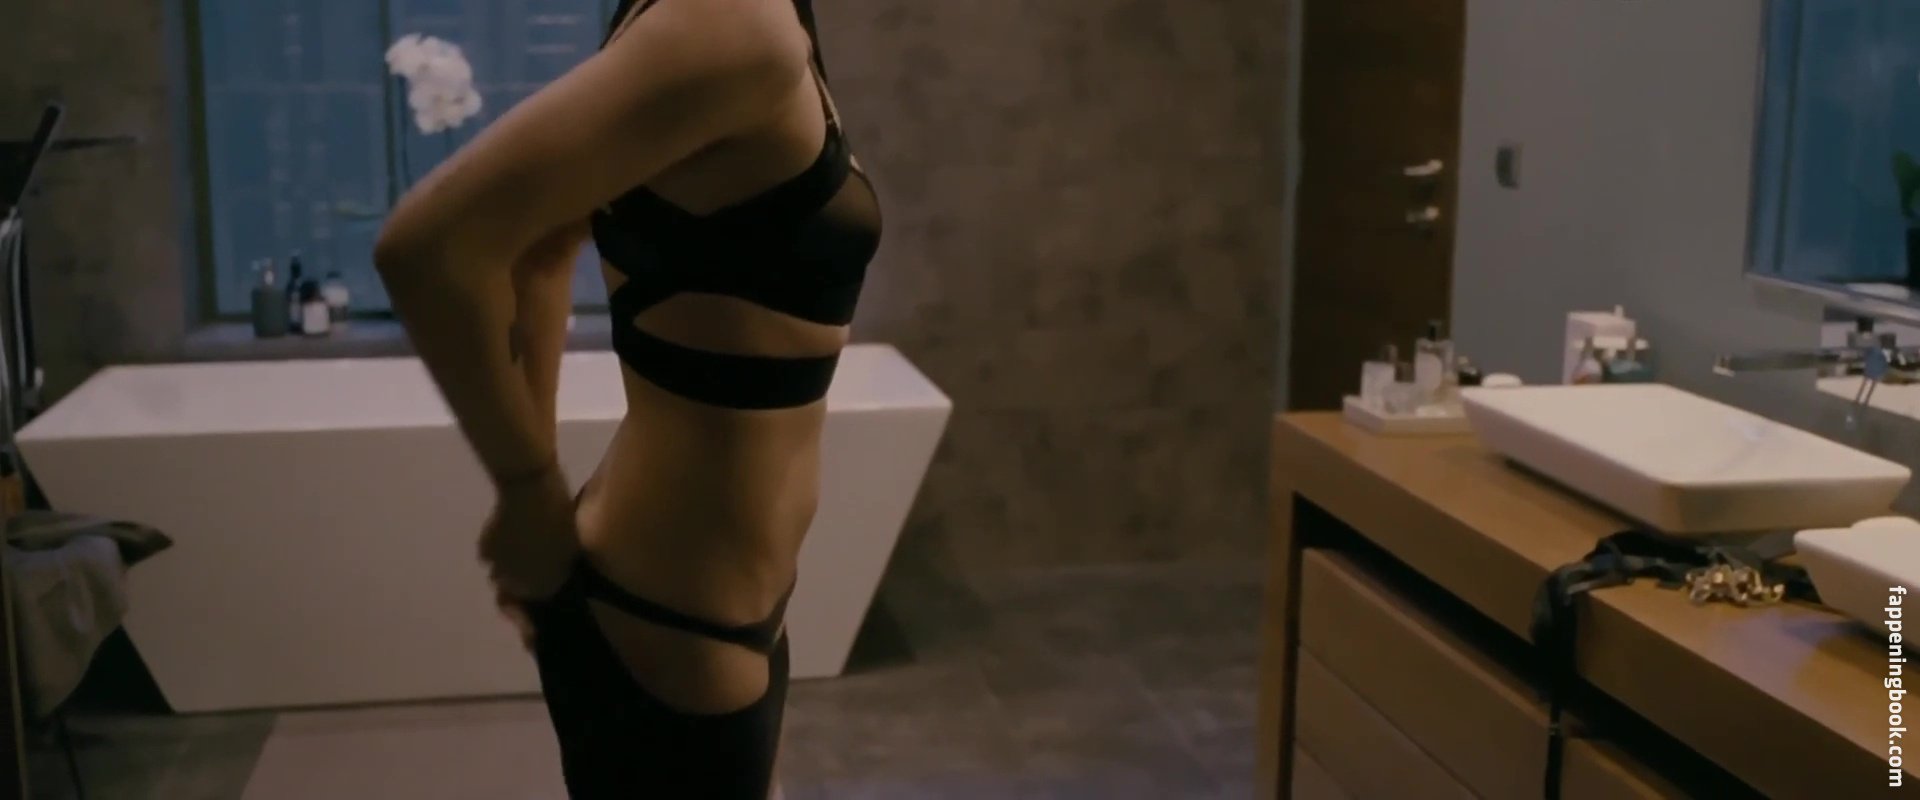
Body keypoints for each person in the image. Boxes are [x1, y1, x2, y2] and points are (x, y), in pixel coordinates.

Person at [371, 0, 881, 795]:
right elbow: (426, 249)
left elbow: (542, 247)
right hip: (672, 620)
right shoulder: (732, 23)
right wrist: (528, 494)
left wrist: (539, 502)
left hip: (704, 602)